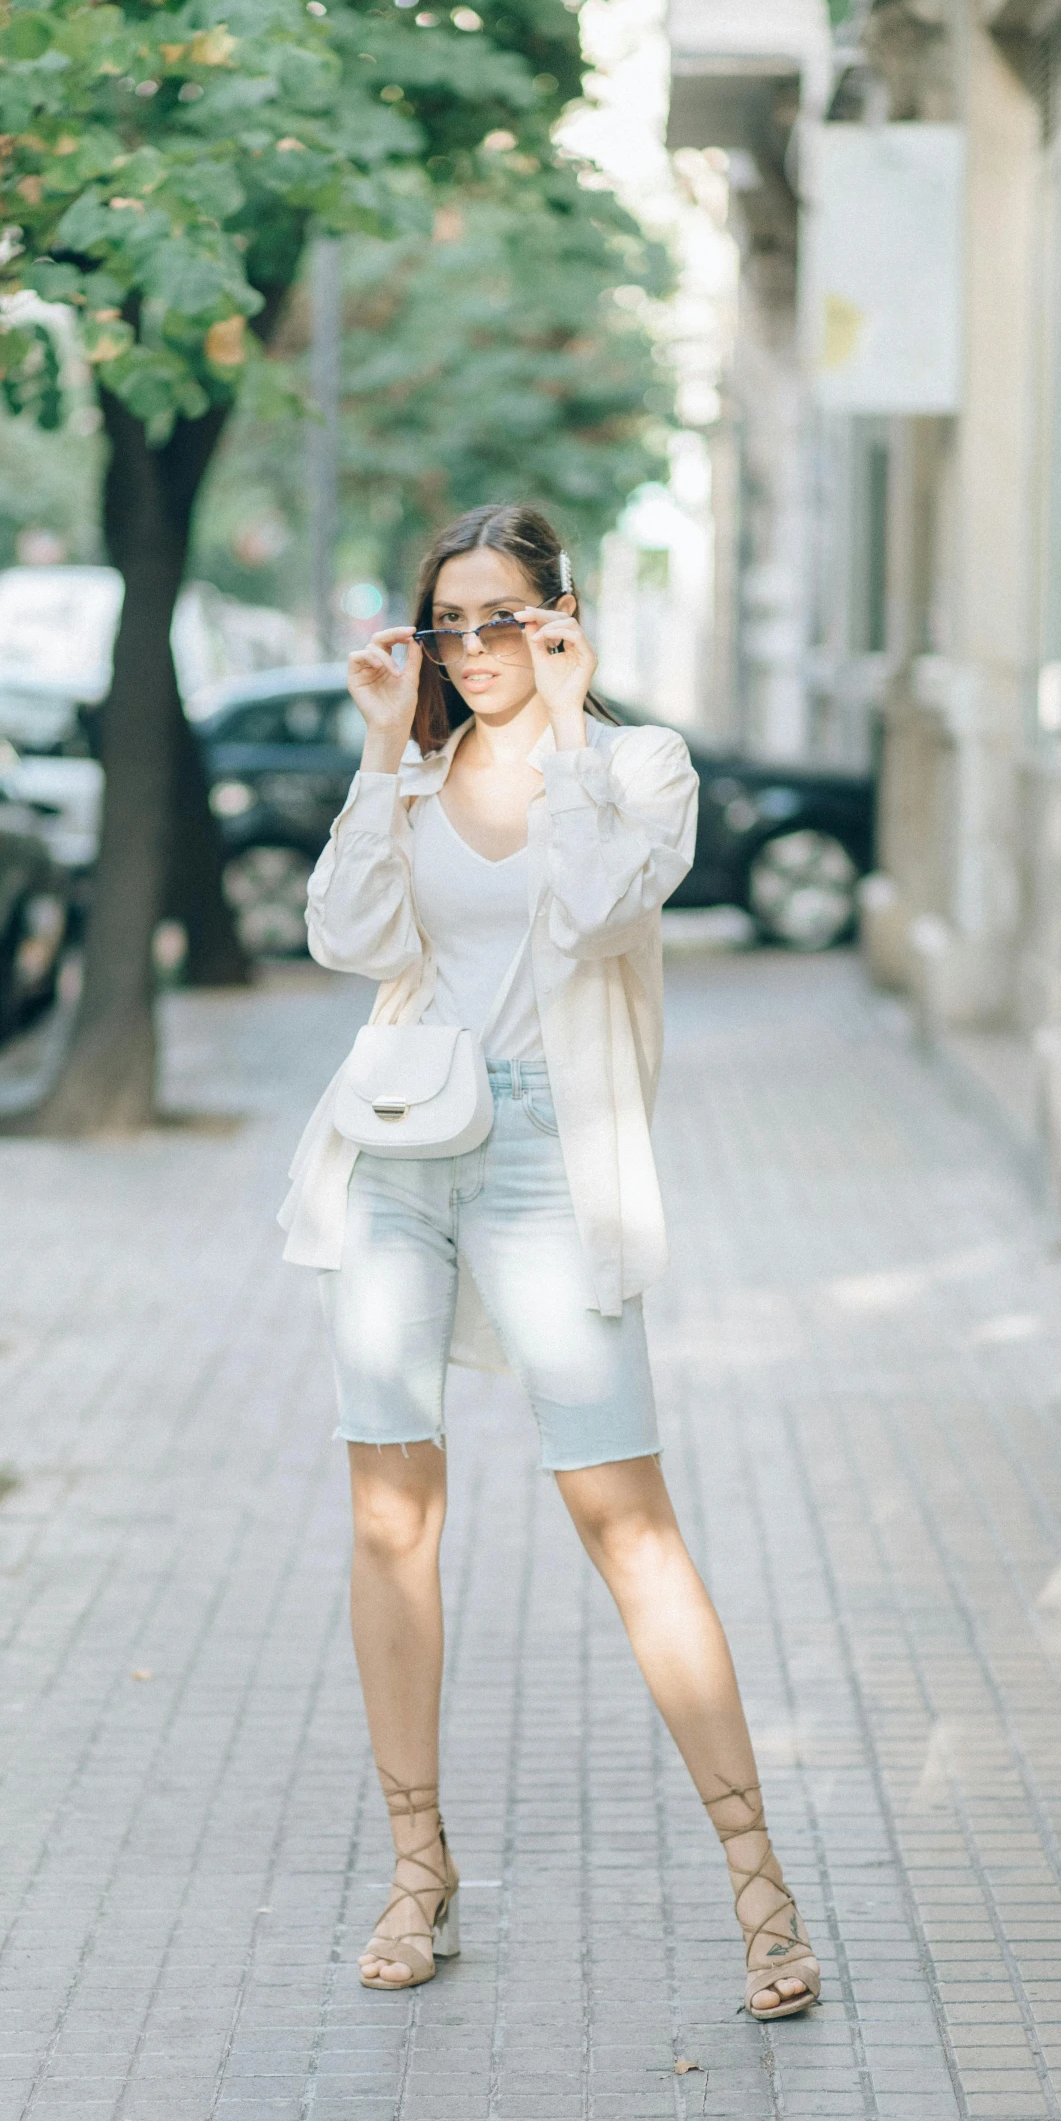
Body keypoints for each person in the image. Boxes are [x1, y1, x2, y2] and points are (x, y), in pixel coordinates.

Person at [280, 502, 819, 2019]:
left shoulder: (637, 766)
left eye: (502, 616)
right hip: (403, 1140)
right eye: (450, 621)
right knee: (390, 1509)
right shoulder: (422, 766)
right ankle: (414, 1867)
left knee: (621, 1514)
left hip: (542, 1157)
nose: (475, 647)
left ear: (559, 614)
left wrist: (571, 728)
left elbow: (595, 907)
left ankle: (758, 1884)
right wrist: (385, 751)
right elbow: (346, 936)